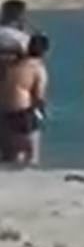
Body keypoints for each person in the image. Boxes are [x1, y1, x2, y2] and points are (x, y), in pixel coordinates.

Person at [0, 34, 49, 165]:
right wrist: (43, 114)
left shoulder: (12, 64)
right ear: (44, 52)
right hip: (23, 112)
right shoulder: (38, 68)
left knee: (10, 156)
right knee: (32, 154)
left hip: (5, 112)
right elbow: (39, 97)